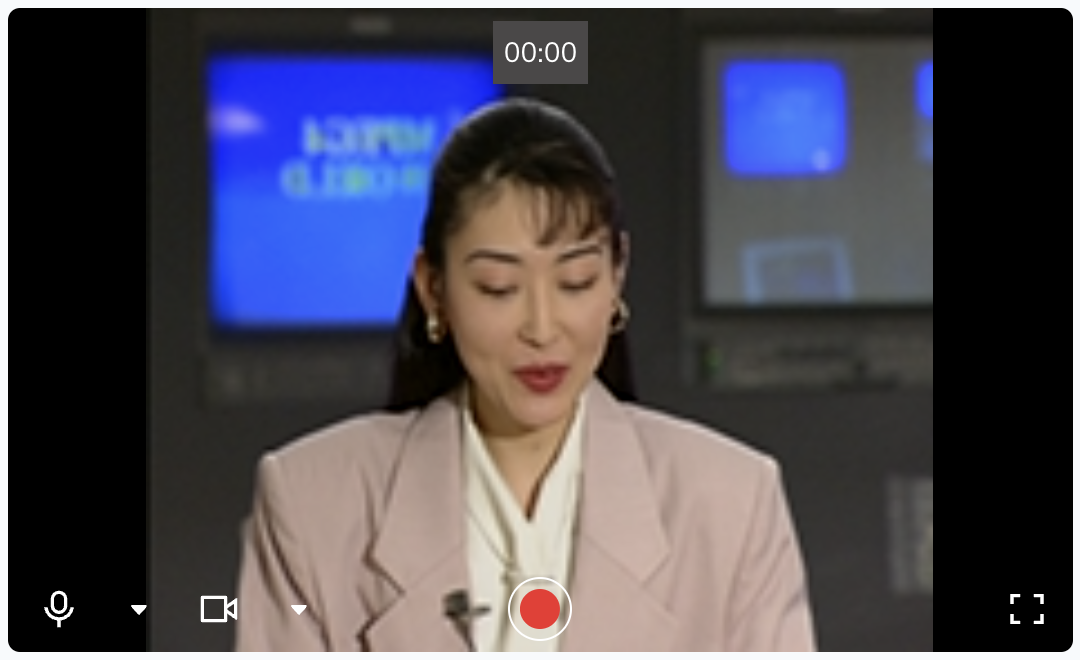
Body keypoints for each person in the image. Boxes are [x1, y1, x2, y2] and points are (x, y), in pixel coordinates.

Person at [234, 97, 816, 652]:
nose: (541, 328)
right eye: (499, 288)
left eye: (575, 282)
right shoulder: (311, 503)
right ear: (434, 288)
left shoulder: (731, 504)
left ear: (616, 276)